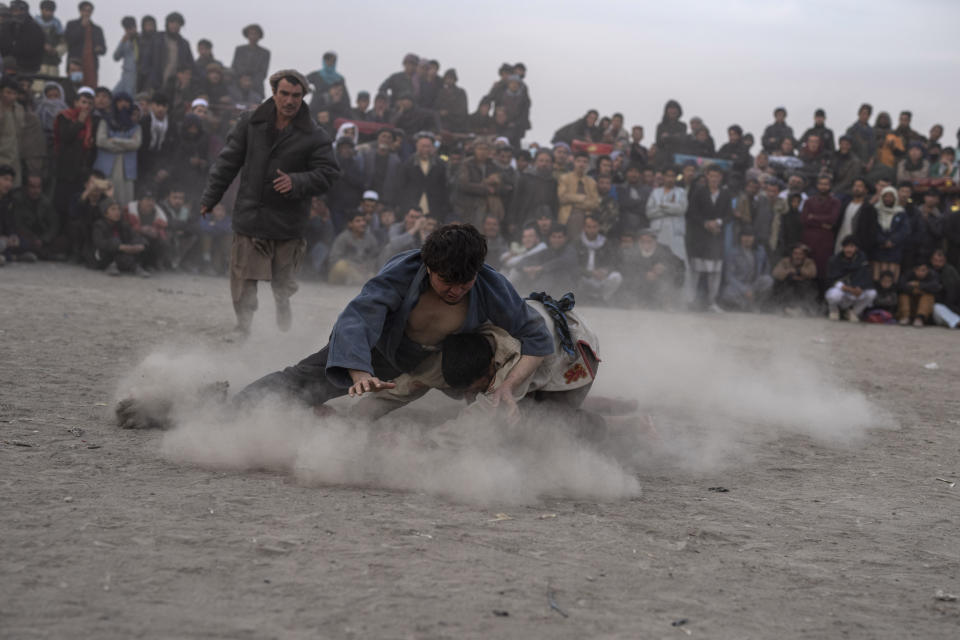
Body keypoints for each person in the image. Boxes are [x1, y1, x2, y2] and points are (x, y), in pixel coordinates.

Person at [234, 224, 555, 418]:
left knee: (495, 401)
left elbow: (536, 336)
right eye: (447, 282)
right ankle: (230, 412)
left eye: (465, 283)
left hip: (441, 357)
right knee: (303, 383)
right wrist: (360, 373)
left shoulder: (489, 283)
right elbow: (357, 318)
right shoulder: (403, 272)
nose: (456, 291)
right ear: (429, 267)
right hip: (383, 351)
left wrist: (509, 388)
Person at [199, 69, 341, 335]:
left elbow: (329, 173)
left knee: (283, 284)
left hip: (288, 222)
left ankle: (283, 315)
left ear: (303, 97)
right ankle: (243, 328)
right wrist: (210, 197)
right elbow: (228, 162)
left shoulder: (314, 134)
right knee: (243, 279)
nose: (289, 101)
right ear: (274, 93)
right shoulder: (250, 123)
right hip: (251, 216)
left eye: (296, 95)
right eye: (284, 94)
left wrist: (297, 182)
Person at [685, 165, 730, 312]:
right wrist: (705, 223)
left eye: (717, 176)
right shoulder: (699, 192)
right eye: (711, 176)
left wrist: (718, 223)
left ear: (720, 177)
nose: (714, 179)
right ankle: (690, 300)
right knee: (695, 271)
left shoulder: (725, 194)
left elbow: (729, 214)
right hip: (700, 237)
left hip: (717, 237)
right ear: (707, 176)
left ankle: (712, 302)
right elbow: (692, 213)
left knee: (715, 272)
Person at [616, 228, 684, 309]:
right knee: (630, 280)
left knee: (669, 278)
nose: (646, 245)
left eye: (649, 242)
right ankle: (634, 303)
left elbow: (680, 264)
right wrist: (644, 274)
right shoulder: (632, 252)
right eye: (642, 242)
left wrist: (664, 266)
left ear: (655, 242)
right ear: (638, 242)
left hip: (660, 284)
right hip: (639, 284)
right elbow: (626, 269)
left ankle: (667, 303)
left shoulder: (664, 249)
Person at [93, 92, 140, 206]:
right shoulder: (105, 121)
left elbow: (136, 144)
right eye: (120, 101)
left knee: (125, 203)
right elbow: (101, 141)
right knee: (105, 201)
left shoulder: (135, 127)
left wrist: (114, 140)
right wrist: (125, 145)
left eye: (127, 102)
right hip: (106, 169)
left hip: (126, 171)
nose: (123, 104)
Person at [800, 174, 841, 290]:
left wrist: (814, 217)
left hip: (825, 241)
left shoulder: (835, 202)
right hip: (809, 239)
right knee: (807, 268)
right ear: (817, 185)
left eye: (826, 184)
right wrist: (822, 222)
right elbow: (804, 219)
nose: (823, 187)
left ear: (830, 186)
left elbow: (833, 219)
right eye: (821, 184)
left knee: (822, 271)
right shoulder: (809, 201)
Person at [90, 197, 149, 276]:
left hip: (122, 253)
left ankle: (133, 266)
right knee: (115, 242)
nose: (117, 212)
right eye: (113, 209)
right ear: (105, 213)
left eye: (118, 209)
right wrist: (119, 246)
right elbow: (100, 243)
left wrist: (141, 245)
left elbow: (135, 236)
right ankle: (114, 266)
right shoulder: (99, 225)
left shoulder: (123, 224)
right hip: (103, 256)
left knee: (140, 246)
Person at [11, 172, 63, 260]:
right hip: (28, 236)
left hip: (43, 238)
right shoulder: (18, 201)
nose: (36, 190)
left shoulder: (46, 202)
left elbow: (54, 224)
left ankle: (41, 252)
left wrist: (44, 239)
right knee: (21, 241)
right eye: (32, 187)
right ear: (26, 187)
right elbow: (18, 224)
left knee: (63, 241)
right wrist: (33, 238)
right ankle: (45, 254)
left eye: (38, 187)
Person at [719, 226, 773, 311]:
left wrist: (755, 289)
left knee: (768, 280)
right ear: (740, 237)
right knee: (727, 293)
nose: (748, 239)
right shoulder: (733, 253)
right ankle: (746, 306)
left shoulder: (760, 251)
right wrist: (744, 290)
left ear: (754, 238)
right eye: (745, 236)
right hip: (738, 286)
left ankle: (757, 304)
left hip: (754, 285)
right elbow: (729, 276)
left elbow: (766, 269)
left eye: (750, 236)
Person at [397, 133, 448, 220]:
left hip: (433, 208)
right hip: (412, 208)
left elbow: (443, 187)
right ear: (417, 146)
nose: (426, 149)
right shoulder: (408, 164)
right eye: (423, 146)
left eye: (428, 146)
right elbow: (401, 187)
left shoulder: (440, 164)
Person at [824, 235, 876, 322]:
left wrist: (860, 288)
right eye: (846, 247)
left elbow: (866, 277)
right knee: (833, 295)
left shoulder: (862, 260)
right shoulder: (835, 260)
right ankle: (834, 311)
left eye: (851, 247)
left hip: (856, 292)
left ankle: (853, 313)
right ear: (843, 248)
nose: (849, 250)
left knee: (872, 293)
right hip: (842, 292)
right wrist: (848, 289)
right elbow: (832, 280)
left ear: (856, 248)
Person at [576, 215, 622, 305]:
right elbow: (573, 265)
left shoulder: (605, 242)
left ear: (599, 227)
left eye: (594, 227)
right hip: (585, 277)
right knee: (576, 278)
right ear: (584, 228)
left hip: (601, 277)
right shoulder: (577, 242)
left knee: (617, 276)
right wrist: (590, 273)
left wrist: (605, 271)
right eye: (589, 227)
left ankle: (603, 299)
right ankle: (585, 299)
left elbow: (613, 261)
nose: (592, 230)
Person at [326, 210, 379, 285]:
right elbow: (334, 258)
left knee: (373, 277)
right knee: (340, 266)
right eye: (358, 221)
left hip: (365, 272)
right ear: (350, 224)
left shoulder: (371, 239)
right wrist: (353, 267)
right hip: (346, 271)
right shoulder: (343, 238)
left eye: (363, 220)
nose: (362, 223)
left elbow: (375, 258)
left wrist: (367, 267)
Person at [872, 185, 910, 281]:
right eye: (885, 196)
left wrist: (892, 241)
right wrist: (883, 241)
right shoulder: (876, 210)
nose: (888, 199)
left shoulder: (900, 212)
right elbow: (873, 228)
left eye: (890, 196)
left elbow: (904, 230)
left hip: (895, 248)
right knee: (878, 274)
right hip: (879, 247)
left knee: (892, 275)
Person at [557, 150, 599, 238]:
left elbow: (595, 204)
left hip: (586, 219)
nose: (581, 164)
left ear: (588, 164)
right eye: (579, 161)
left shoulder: (592, 182)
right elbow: (562, 198)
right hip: (567, 217)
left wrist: (573, 203)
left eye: (585, 162)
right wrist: (581, 198)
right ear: (574, 162)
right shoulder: (565, 178)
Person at [64, 1, 105, 87]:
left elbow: (104, 49)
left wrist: (100, 49)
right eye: (85, 10)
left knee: (90, 88)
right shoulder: (72, 24)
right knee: (75, 87)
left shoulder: (97, 29)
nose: (87, 13)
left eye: (89, 11)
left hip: (91, 65)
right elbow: (69, 41)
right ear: (80, 11)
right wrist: (81, 27)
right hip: (75, 64)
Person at [770, 243, 818, 315]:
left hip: (802, 287)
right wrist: (789, 272)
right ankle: (781, 307)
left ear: (804, 255)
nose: (797, 256)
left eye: (800, 254)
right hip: (787, 285)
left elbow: (812, 273)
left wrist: (799, 272)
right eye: (795, 253)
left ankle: (803, 308)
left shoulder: (809, 262)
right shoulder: (785, 261)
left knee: (808, 284)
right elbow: (776, 272)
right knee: (780, 283)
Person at [897, 262, 941, 327]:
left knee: (928, 296)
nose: (920, 272)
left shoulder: (932, 275)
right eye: (918, 270)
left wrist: (918, 284)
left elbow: (936, 287)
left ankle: (919, 318)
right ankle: (905, 317)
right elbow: (900, 287)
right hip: (910, 307)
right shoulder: (908, 274)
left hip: (925, 310)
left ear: (928, 270)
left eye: (923, 270)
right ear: (914, 270)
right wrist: (913, 290)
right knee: (903, 295)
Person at [929, 249, 960, 328]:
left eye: (940, 261)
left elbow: (951, 295)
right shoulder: (927, 270)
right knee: (937, 307)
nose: (937, 263)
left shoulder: (950, 271)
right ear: (931, 260)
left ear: (945, 260)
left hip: (951, 308)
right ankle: (956, 322)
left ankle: (956, 321)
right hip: (937, 311)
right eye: (935, 260)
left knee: (938, 307)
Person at [111, 16, 137, 96]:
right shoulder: (124, 41)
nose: (129, 31)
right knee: (113, 95)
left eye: (130, 28)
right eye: (126, 29)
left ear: (135, 27)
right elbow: (115, 57)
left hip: (137, 75)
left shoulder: (142, 39)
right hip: (126, 75)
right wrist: (122, 42)